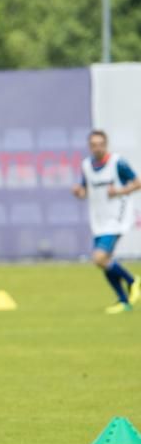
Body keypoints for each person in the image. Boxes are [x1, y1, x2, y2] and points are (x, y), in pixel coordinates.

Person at [72, 129, 141, 314]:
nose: (97, 148)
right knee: (103, 261)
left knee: (99, 257)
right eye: (94, 145)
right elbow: (86, 190)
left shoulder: (117, 163)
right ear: (89, 147)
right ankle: (123, 300)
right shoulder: (87, 165)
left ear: (106, 144)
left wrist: (119, 192)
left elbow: (137, 182)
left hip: (117, 218)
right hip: (99, 220)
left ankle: (133, 281)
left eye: (100, 144)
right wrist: (79, 192)